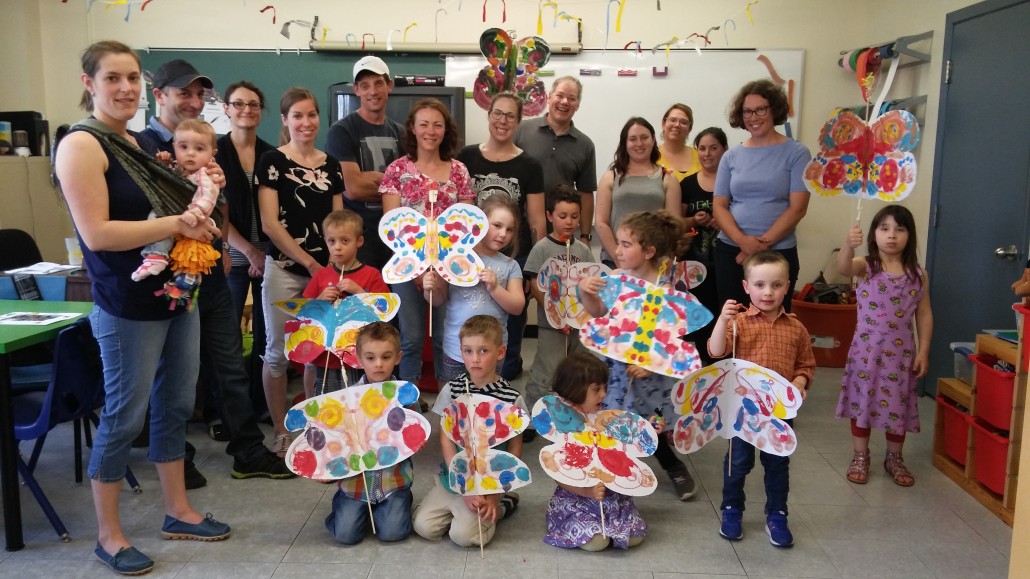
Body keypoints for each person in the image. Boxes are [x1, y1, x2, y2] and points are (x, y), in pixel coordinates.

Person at [55, 41, 229, 575]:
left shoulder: (136, 142)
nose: (125, 88)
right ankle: (108, 534)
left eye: (132, 77)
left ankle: (177, 509)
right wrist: (178, 224)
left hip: (177, 294)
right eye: (113, 78)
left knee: (175, 404)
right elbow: (99, 233)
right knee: (124, 416)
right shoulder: (83, 145)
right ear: (90, 83)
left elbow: (179, 198)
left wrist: (205, 189)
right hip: (127, 302)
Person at [140, 59, 292, 487]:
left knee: (228, 361)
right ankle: (175, 455)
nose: (191, 101)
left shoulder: (211, 151)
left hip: (210, 270)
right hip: (168, 279)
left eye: (197, 95)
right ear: (160, 95)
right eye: (182, 93)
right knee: (175, 371)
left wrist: (223, 244)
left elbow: (218, 207)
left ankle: (246, 450)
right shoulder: (145, 146)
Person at [578, 211, 698, 501]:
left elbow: (670, 336)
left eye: (625, 245)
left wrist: (650, 363)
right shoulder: (616, 279)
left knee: (647, 424)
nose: (617, 250)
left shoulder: (663, 288)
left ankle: (673, 466)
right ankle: (612, 468)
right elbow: (598, 313)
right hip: (617, 368)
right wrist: (586, 293)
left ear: (649, 251)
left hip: (650, 373)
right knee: (612, 416)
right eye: (618, 243)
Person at [708, 251, 816, 548]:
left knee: (777, 464)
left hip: (779, 410)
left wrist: (800, 381)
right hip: (742, 410)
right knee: (738, 463)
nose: (767, 292)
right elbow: (716, 351)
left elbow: (806, 364)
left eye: (776, 285)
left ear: (787, 286)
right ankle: (732, 508)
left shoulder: (796, 328)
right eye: (759, 285)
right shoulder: (738, 323)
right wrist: (722, 319)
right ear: (746, 287)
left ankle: (777, 514)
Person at [258, 87, 345, 456]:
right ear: (285, 120)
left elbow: (339, 222)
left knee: (316, 352)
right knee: (278, 353)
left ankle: (314, 424)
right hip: (286, 270)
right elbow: (270, 224)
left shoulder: (331, 165)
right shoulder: (272, 161)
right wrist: (311, 264)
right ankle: (280, 429)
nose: (306, 123)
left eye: (311, 115)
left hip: (326, 273)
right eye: (298, 116)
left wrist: (332, 267)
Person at [835, 206, 932, 487]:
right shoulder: (866, 265)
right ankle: (860, 455)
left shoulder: (917, 274)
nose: (892, 235)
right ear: (874, 233)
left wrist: (924, 350)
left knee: (896, 405)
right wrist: (846, 245)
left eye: (900, 229)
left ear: (910, 235)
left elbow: (924, 314)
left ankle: (894, 457)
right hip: (866, 353)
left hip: (901, 355)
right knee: (863, 401)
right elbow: (842, 268)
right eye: (884, 228)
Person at [380, 98, 475, 384]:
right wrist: (420, 270)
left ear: (446, 130)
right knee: (410, 338)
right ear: (412, 128)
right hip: (407, 266)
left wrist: (443, 271)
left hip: (450, 268)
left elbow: (467, 224)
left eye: (437, 124)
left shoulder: (459, 171)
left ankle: (448, 404)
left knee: (446, 338)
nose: (430, 131)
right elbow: (392, 227)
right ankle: (407, 405)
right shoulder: (397, 170)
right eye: (424, 124)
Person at [413, 315, 524, 547]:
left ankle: (503, 504)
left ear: (500, 352)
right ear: (460, 352)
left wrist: (494, 493)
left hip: (488, 482)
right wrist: (462, 485)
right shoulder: (452, 391)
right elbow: (445, 440)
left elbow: (514, 446)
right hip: (454, 479)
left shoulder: (511, 398)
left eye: (483, 351)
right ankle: (448, 498)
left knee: (463, 537)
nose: (475, 359)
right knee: (424, 528)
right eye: (468, 351)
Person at [457, 91, 545, 380]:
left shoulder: (529, 165)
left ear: (519, 121)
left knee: (510, 325)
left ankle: (503, 382)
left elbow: (535, 220)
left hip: (514, 256)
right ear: (488, 114)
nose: (503, 120)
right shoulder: (466, 157)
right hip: (472, 256)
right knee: (468, 320)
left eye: (510, 115)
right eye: (498, 113)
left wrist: (533, 270)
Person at [712, 79, 811, 312]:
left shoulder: (797, 153)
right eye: (747, 111)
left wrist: (754, 248)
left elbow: (797, 208)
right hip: (731, 251)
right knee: (732, 324)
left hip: (778, 253)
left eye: (760, 109)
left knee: (773, 325)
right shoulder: (731, 156)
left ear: (774, 109)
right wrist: (741, 241)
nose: (753, 117)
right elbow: (719, 206)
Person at [543, 353, 647, 551]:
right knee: (597, 542)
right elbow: (557, 472)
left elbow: (623, 446)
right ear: (575, 389)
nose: (603, 394)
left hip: (610, 495)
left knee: (634, 537)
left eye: (604, 387)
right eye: (596, 389)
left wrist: (645, 430)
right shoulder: (562, 425)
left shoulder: (604, 417)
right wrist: (585, 491)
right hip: (576, 497)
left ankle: (611, 527)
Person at [324, 322, 415, 544]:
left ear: (398, 357)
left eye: (386, 357)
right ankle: (347, 508)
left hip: (393, 484)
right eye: (371, 357)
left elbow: (414, 435)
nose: (379, 365)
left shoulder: (406, 396)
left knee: (393, 534)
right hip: (355, 486)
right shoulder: (348, 398)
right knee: (345, 536)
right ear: (359, 358)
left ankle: (392, 508)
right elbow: (337, 440)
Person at [217, 80, 275, 418]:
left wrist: (264, 254)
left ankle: (260, 405)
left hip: (269, 257)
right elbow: (217, 208)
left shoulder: (270, 154)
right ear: (226, 109)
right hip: (232, 258)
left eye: (253, 104)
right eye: (238, 104)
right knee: (227, 339)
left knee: (267, 337)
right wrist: (249, 252)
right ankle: (228, 413)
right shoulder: (215, 151)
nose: (246, 110)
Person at [424, 193, 525, 383]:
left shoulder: (510, 265)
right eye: (497, 225)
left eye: (510, 229)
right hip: (457, 348)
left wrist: (495, 288)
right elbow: (438, 300)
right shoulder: (454, 258)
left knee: (488, 401)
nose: (503, 234)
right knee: (456, 401)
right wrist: (430, 288)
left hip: (492, 350)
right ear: (480, 224)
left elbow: (517, 306)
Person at [523, 185, 596, 426]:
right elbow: (535, 284)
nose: (569, 222)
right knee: (547, 370)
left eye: (575, 217)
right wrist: (555, 316)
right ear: (549, 216)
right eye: (563, 216)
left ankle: (574, 412)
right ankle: (534, 417)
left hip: (578, 324)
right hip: (550, 325)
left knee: (578, 369)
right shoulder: (542, 248)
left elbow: (591, 282)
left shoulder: (583, 250)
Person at [326, 56, 405, 270]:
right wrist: (393, 187)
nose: (372, 91)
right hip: (359, 241)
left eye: (379, 83)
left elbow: (412, 188)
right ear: (356, 89)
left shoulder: (403, 133)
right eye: (365, 85)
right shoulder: (341, 131)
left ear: (389, 85)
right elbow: (353, 188)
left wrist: (372, 178)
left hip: (398, 238)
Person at [301, 209, 389, 394]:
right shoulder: (321, 276)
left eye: (345, 241)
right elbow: (305, 315)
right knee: (326, 402)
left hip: (360, 354)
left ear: (359, 242)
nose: (337, 247)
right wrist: (320, 299)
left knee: (357, 400)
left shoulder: (371, 274)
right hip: (327, 355)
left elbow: (384, 312)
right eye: (331, 241)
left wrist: (358, 291)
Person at [514, 76, 597, 251]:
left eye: (571, 98)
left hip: (560, 235)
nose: (564, 102)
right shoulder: (522, 130)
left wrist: (585, 236)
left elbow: (586, 195)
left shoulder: (585, 145)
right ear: (549, 97)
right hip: (516, 230)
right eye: (560, 95)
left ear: (578, 105)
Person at [132, 119, 219, 282]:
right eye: (183, 147)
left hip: (196, 220)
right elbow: (167, 181)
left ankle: (160, 259)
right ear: (174, 147)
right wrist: (163, 165)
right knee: (158, 218)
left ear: (212, 153)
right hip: (180, 220)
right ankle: (159, 259)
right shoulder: (181, 170)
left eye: (199, 149)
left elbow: (207, 196)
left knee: (157, 216)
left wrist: (195, 212)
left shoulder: (205, 174)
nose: (190, 153)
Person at [594, 117, 681, 268]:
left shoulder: (667, 178)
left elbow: (673, 227)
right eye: (633, 139)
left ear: (653, 139)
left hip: (654, 263)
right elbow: (601, 223)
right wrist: (619, 257)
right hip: (615, 262)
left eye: (644, 137)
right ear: (625, 143)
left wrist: (664, 261)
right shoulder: (610, 177)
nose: (639, 144)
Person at [680, 127, 728, 366]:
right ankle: (699, 373)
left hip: (725, 261)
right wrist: (693, 220)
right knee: (698, 320)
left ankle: (720, 369)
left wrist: (724, 223)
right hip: (694, 266)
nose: (707, 153)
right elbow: (677, 222)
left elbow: (742, 220)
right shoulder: (687, 184)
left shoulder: (733, 181)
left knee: (723, 317)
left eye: (714, 148)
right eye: (702, 148)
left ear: (724, 150)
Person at [656, 103, 702, 181]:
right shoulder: (652, 156)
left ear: (689, 129)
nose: (677, 125)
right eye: (672, 120)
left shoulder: (700, 155)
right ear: (663, 124)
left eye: (683, 122)